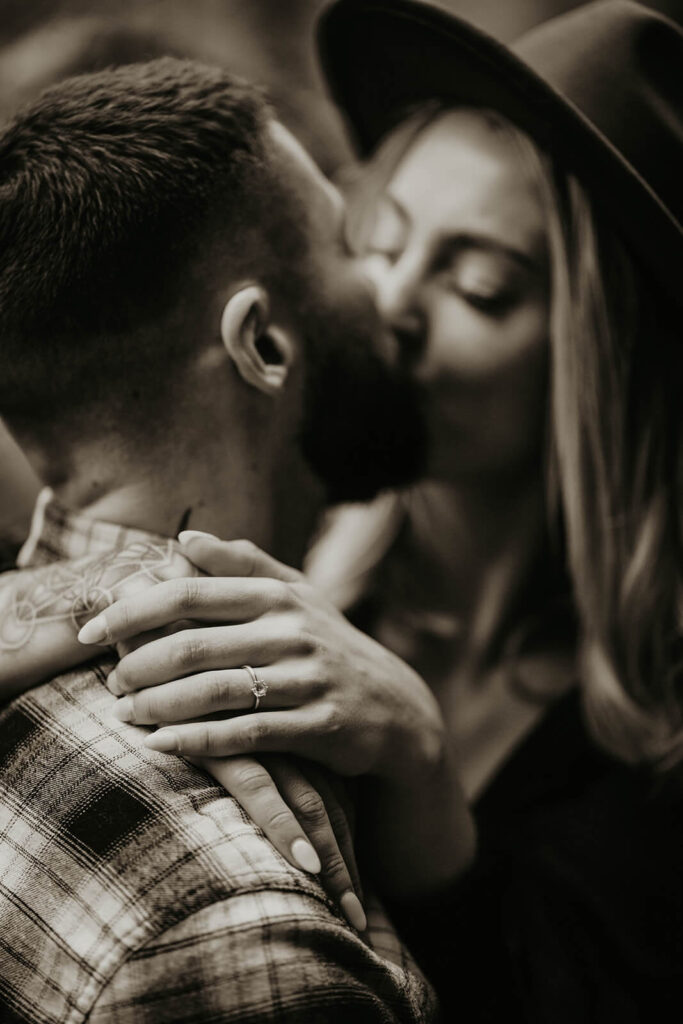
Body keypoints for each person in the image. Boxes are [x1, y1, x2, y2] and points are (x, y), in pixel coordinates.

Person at [2, 0, 682, 1019]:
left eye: (480, 284)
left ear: (604, 369)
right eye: (380, 239)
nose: (386, 302)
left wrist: (426, 783)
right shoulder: (277, 557)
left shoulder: (650, 743)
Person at [0, 57, 455, 1023]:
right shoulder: (237, 924)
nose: (388, 293)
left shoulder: (24, 633)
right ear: (264, 345)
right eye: (349, 243)